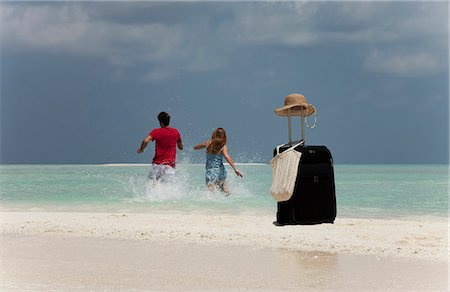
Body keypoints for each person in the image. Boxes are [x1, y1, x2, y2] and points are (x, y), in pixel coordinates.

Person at [137, 112, 183, 183]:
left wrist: (141, 149)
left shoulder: (156, 131)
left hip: (157, 166)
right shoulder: (175, 132)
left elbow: (146, 140)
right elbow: (181, 147)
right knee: (168, 189)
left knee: (152, 187)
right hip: (169, 167)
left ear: (161, 122)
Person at [194, 128, 242, 195]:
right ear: (224, 136)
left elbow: (196, 147)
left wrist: (197, 147)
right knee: (224, 189)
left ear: (214, 134)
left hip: (210, 172)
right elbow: (226, 156)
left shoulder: (208, 143)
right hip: (220, 171)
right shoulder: (223, 146)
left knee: (211, 191)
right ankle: (228, 202)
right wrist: (235, 169)